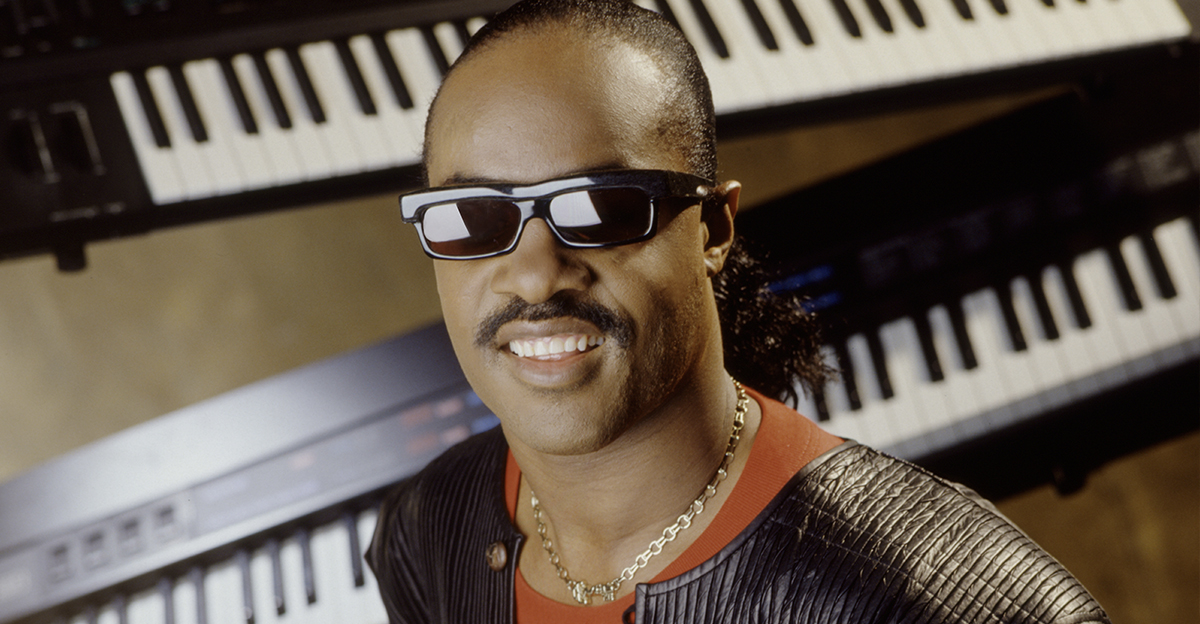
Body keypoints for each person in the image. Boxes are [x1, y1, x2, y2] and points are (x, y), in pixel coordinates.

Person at [366, 1, 1110, 622]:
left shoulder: (943, 602)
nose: (532, 278)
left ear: (714, 232)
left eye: (601, 208)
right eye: (470, 217)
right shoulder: (427, 528)